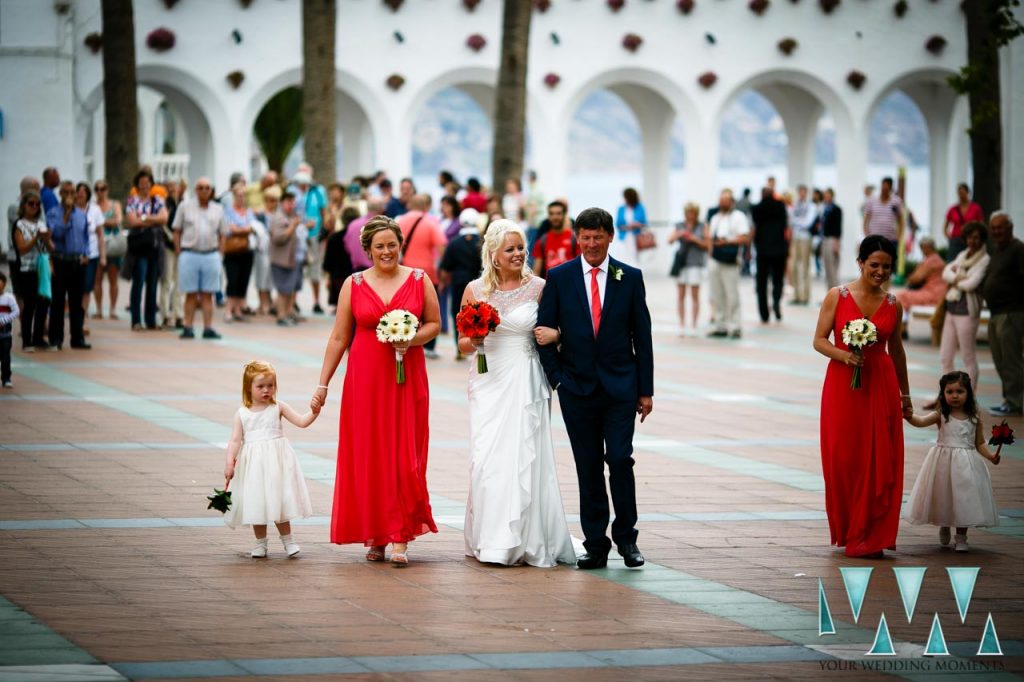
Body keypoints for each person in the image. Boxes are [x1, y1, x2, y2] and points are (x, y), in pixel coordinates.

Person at [311, 216, 440, 566]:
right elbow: (339, 337)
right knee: (371, 455)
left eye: (392, 245)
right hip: (365, 379)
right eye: (380, 246)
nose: (387, 251)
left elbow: (434, 325)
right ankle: (377, 535)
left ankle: (400, 535)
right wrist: (323, 383)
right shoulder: (353, 284)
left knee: (404, 453)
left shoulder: (419, 279)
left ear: (401, 245)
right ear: (367, 250)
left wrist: (410, 339)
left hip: (407, 376)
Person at [536, 207, 654, 570]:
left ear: (610, 237)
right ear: (577, 238)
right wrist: (558, 379)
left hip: (621, 388)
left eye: (597, 237)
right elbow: (543, 332)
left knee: (620, 460)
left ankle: (627, 540)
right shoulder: (560, 277)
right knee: (587, 468)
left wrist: (645, 389)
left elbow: (642, 336)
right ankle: (596, 544)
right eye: (584, 237)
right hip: (577, 389)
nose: (591, 244)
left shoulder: (629, 277)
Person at [459, 220, 575, 567]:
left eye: (521, 247)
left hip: (525, 378)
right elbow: (462, 343)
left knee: (526, 456)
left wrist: (556, 336)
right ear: (493, 255)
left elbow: (562, 328)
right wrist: (475, 339)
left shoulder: (540, 286)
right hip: (488, 379)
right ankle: (490, 538)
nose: (518, 254)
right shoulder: (475, 290)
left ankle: (527, 538)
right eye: (510, 249)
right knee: (487, 459)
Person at [814, 236, 912, 558]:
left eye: (886, 266)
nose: (880, 272)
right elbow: (819, 340)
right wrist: (844, 356)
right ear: (860, 263)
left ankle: (871, 534)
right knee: (843, 458)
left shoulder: (893, 304)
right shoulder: (837, 296)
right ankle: (849, 528)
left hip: (880, 384)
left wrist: (905, 394)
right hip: (843, 386)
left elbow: (896, 350)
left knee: (880, 457)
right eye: (874, 265)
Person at [223, 360, 318, 558]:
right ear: (248, 388)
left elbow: (301, 421)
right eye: (260, 386)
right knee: (257, 502)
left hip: (277, 464)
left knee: (280, 500)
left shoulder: (278, 407)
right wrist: (230, 462)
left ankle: (288, 541)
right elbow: (235, 440)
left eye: (271, 385)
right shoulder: (242, 413)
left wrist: (314, 412)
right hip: (254, 467)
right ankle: (260, 543)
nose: (266, 390)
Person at [903, 372, 1000, 552]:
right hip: (942, 463)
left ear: (968, 393)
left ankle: (961, 537)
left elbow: (979, 442)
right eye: (949, 391)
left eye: (960, 391)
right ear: (943, 393)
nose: (954, 396)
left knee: (964, 499)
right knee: (944, 495)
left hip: (967, 465)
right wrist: (909, 416)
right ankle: (944, 524)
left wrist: (991, 456)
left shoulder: (974, 416)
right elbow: (921, 421)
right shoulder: (942, 414)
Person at [938, 222, 990, 390]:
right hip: (951, 310)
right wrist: (959, 278)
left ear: (982, 239)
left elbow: (972, 284)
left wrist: (955, 278)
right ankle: (945, 396)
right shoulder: (963, 255)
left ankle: (971, 400)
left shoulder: (984, 259)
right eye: (969, 237)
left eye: (976, 237)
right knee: (945, 357)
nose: (972, 241)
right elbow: (946, 272)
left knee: (968, 357)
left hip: (968, 312)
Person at [983, 211, 1024, 417]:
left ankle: (1015, 402)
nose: (997, 231)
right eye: (994, 228)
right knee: (1000, 360)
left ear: (1010, 228)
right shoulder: (998, 250)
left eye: (1001, 227)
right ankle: (1010, 399)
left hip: (1011, 313)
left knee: (1011, 360)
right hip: (996, 313)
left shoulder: (1018, 249)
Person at [172, 177, 224, 340]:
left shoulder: (218, 209)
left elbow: (223, 234)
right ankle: (188, 327)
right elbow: (177, 230)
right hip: (190, 253)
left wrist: (220, 254)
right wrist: (179, 251)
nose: (204, 191)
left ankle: (208, 327)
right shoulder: (184, 206)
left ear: (211, 190)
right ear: (195, 189)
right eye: (200, 187)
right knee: (191, 293)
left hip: (210, 254)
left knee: (209, 294)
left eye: (207, 188)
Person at [397, 194, 447, 359]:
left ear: (410, 204)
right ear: (426, 207)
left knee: (406, 307)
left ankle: (404, 336)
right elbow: (441, 246)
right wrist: (442, 268)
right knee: (429, 310)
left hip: (403, 272)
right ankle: (429, 346)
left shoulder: (399, 221)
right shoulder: (430, 223)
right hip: (427, 272)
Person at [46, 181, 90, 350]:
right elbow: (55, 234)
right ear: (61, 194)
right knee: (57, 302)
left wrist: (86, 253)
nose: (70, 195)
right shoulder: (53, 213)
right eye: (66, 192)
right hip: (60, 261)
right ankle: (56, 338)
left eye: (72, 192)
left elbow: (86, 236)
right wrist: (65, 215)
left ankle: (77, 338)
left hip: (77, 262)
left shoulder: (81, 214)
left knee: (76, 303)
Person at [124, 168, 167, 332]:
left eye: (147, 183)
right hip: (139, 248)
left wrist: (144, 218)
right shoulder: (132, 200)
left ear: (151, 185)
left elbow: (164, 218)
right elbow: (132, 221)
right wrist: (153, 221)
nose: (144, 187)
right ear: (137, 185)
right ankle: (136, 320)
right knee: (139, 283)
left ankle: (151, 320)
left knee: (153, 285)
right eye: (141, 184)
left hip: (154, 248)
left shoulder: (158, 200)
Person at [707, 189, 751, 339]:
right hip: (715, 259)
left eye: (725, 200)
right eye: (721, 200)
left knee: (732, 295)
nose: (722, 203)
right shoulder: (715, 218)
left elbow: (745, 238)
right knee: (716, 294)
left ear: (732, 202)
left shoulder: (738, 217)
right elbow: (710, 238)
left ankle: (735, 325)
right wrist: (711, 249)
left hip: (730, 261)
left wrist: (727, 241)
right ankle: (720, 324)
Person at [439, 210, 482, 359]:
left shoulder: (454, 243)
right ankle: (478, 344)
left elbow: (445, 268)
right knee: (481, 315)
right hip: (479, 284)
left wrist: (443, 283)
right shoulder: (482, 241)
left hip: (458, 283)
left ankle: (460, 348)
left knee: (457, 314)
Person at [11, 191, 50, 350]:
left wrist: (47, 239)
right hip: (26, 270)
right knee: (29, 304)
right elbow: (21, 248)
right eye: (31, 204)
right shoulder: (19, 224)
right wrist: (36, 238)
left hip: (42, 268)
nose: (34, 207)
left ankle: (39, 337)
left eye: (37, 204)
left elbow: (47, 248)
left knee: (44, 302)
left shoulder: (41, 224)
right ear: (24, 206)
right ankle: (27, 340)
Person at [289, 167, 328, 314]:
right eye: (301, 184)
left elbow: (323, 212)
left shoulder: (318, 192)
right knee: (296, 269)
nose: (303, 187)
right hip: (298, 236)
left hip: (313, 236)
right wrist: (304, 224)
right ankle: (293, 302)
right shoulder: (292, 194)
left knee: (315, 269)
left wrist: (323, 231)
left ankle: (316, 301)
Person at [667, 202, 707, 336]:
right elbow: (669, 240)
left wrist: (694, 239)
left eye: (692, 213)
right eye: (688, 213)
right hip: (681, 264)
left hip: (695, 263)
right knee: (680, 295)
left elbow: (707, 244)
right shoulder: (679, 225)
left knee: (695, 295)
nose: (690, 216)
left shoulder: (702, 226)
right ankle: (682, 325)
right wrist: (679, 235)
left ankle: (694, 325)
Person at [750, 186, 789, 323]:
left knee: (761, 283)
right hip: (779, 250)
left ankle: (764, 313)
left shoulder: (756, 208)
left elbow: (754, 228)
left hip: (762, 251)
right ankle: (776, 301)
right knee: (778, 280)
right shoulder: (780, 206)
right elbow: (786, 226)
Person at [895, 237, 945, 335]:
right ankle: (902, 327)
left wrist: (910, 277)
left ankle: (902, 328)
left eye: (923, 248)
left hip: (932, 294)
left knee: (900, 297)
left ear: (929, 247)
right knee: (904, 296)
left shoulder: (930, 261)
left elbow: (916, 278)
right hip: (939, 294)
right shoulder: (938, 259)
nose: (922, 250)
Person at [222, 180, 255, 323]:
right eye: (239, 195)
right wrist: (244, 230)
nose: (241, 198)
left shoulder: (249, 211)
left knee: (243, 280)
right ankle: (228, 309)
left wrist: (240, 229)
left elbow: (253, 227)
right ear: (234, 196)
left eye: (243, 196)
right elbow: (229, 229)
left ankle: (238, 309)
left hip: (246, 251)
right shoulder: (227, 211)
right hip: (232, 251)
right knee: (232, 279)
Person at [74, 183, 105, 335]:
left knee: (86, 288)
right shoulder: (70, 209)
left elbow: (100, 234)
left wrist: (103, 256)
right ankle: (76, 319)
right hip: (73, 255)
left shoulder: (95, 209)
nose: (80, 194)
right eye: (78, 192)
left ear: (87, 194)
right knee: (75, 289)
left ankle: (83, 320)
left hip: (91, 254)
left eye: (83, 192)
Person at [269, 191, 303, 328]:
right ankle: (281, 316)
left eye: (293, 202)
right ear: (282, 203)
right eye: (288, 202)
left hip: (290, 260)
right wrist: (293, 226)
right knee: (283, 290)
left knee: (288, 290)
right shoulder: (278, 218)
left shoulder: (289, 216)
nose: (291, 205)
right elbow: (278, 238)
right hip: (280, 260)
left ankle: (287, 314)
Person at [92, 180, 124, 320]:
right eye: (97, 189)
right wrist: (106, 222)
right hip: (97, 246)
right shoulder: (92, 206)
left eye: (103, 188)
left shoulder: (114, 204)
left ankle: (112, 309)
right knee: (97, 279)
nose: (100, 191)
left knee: (113, 279)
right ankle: (99, 309)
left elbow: (118, 220)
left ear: (107, 189)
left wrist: (99, 222)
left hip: (113, 246)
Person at [323, 206, 359, 313]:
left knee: (341, 307)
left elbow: (328, 262)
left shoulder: (334, 238)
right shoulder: (359, 238)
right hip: (354, 274)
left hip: (337, 275)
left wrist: (328, 277)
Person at [531, 201, 578, 278]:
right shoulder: (542, 241)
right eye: (551, 214)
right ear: (548, 216)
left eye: (558, 213)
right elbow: (536, 272)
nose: (555, 217)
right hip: (550, 286)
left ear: (564, 215)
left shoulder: (575, 238)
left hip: (571, 285)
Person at [789, 185, 816, 304]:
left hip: (805, 238)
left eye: (803, 192)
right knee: (794, 267)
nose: (801, 195)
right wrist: (800, 220)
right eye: (800, 192)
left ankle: (805, 296)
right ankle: (797, 295)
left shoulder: (811, 206)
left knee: (805, 267)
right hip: (796, 237)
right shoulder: (795, 205)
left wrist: (797, 221)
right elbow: (790, 220)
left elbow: (808, 223)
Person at [943, 183, 983, 263]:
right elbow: (945, 226)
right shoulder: (953, 209)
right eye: (959, 193)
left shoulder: (975, 208)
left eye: (963, 193)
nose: (961, 195)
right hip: (956, 239)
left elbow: (980, 224)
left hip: (971, 240)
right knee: (952, 262)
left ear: (967, 193)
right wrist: (949, 237)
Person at [862, 177, 903, 251]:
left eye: (886, 188)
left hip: (891, 240)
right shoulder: (871, 200)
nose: (884, 190)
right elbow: (865, 219)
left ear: (890, 188)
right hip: (873, 239)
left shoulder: (896, 201)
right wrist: (866, 235)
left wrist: (899, 237)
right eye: (883, 187)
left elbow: (900, 220)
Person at [612, 187, 646, 267]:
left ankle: (633, 277)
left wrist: (636, 225)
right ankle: (619, 277)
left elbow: (644, 222)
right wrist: (628, 227)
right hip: (624, 236)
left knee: (634, 258)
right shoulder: (621, 208)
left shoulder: (640, 207)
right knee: (621, 257)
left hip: (635, 236)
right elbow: (618, 224)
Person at [345, 198, 379, 273]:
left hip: (357, 270)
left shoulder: (353, 224)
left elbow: (346, 246)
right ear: (381, 209)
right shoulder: (379, 226)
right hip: (375, 270)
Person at [820, 188, 843, 290]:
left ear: (832, 196)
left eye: (827, 195)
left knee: (833, 269)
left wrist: (837, 242)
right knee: (827, 269)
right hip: (825, 239)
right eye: (825, 195)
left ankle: (836, 293)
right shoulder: (825, 209)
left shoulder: (836, 209)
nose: (826, 197)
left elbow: (838, 227)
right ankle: (829, 294)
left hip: (832, 240)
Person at [0, 272, 17, 387]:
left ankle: (6, 378)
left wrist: (4, 320)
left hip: (5, 333)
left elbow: (16, 311)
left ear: (4, 284)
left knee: (5, 356)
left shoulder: (9, 298)